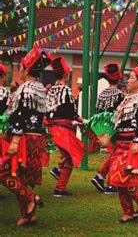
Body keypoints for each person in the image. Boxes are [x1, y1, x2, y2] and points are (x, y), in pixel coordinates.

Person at [0, 45, 51, 226]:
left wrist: (14, 139)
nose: (19, 70)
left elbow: (21, 114)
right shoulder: (39, 88)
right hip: (37, 137)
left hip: (24, 137)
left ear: (27, 69)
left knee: (4, 171)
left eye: (21, 67)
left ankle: (30, 198)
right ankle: (27, 215)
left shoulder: (27, 89)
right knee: (23, 177)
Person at [105, 59, 138, 223]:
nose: (127, 80)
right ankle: (127, 212)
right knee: (116, 178)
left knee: (128, 178)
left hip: (136, 143)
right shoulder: (127, 98)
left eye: (131, 77)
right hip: (121, 143)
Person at [46, 57, 84, 197]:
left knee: (68, 155)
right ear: (66, 75)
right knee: (71, 156)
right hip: (63, 129)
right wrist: (84, 121)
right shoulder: (66, 91)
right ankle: (60, 188)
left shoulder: (50, 90)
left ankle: (58, 171)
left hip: (51, 128)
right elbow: (71, 113)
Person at [91, 63, 125, 194]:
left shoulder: (102, 94)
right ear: (119, 78)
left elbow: (98, 112)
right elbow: (119, 114)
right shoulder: (120, 95)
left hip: (101, 129)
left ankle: (100, 176)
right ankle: (110, 182)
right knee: (117, 155)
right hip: (113, 129)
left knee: (115, 154)